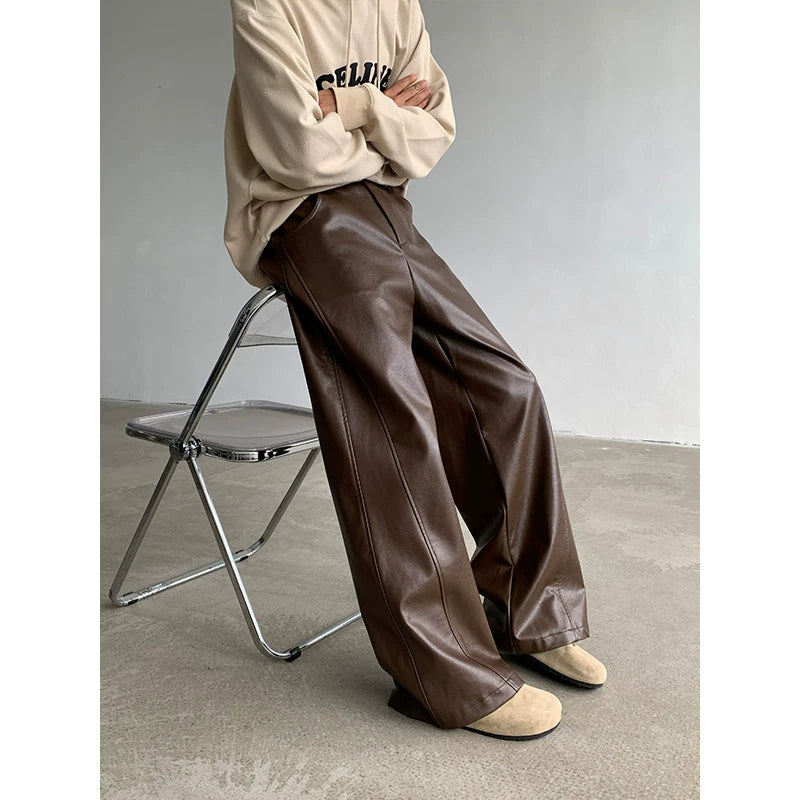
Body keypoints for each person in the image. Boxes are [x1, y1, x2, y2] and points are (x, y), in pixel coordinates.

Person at [223, 0, 607, 741]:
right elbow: (296, 154)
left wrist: (348, 106)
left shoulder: (395, 5)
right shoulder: (266, 7)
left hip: (385, 211)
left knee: (507, 387)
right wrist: (383, 124)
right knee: (392, 410)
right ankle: (444, 673)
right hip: (295, 215)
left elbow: (432, 137)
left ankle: (524, 612)